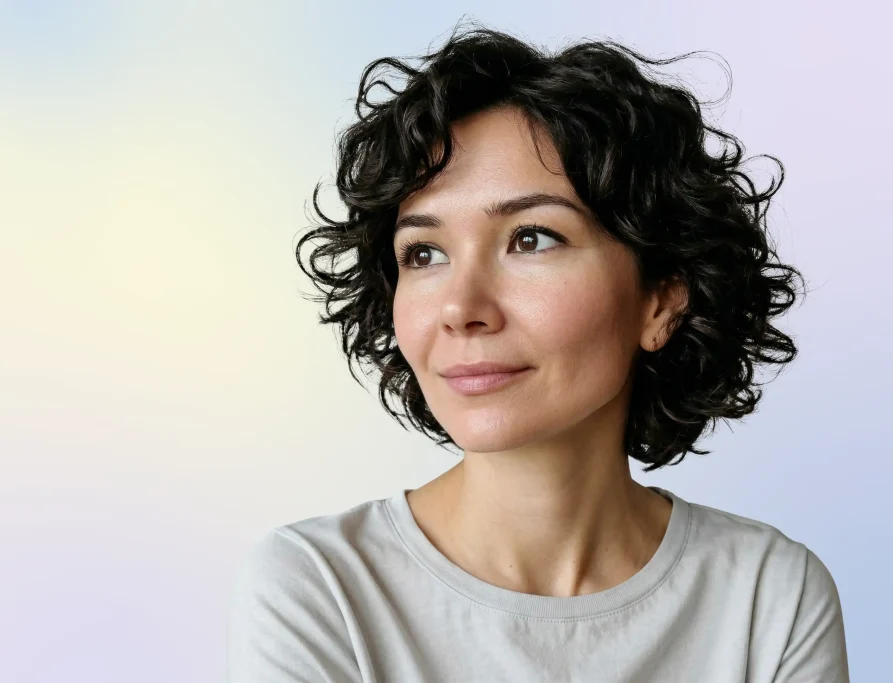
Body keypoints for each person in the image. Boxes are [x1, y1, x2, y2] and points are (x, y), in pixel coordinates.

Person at [228, 22, 849, 682]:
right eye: (424, 253)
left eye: (531, 238)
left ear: (661, 299)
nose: (461, 308)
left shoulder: (768, 596)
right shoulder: (319, 588)